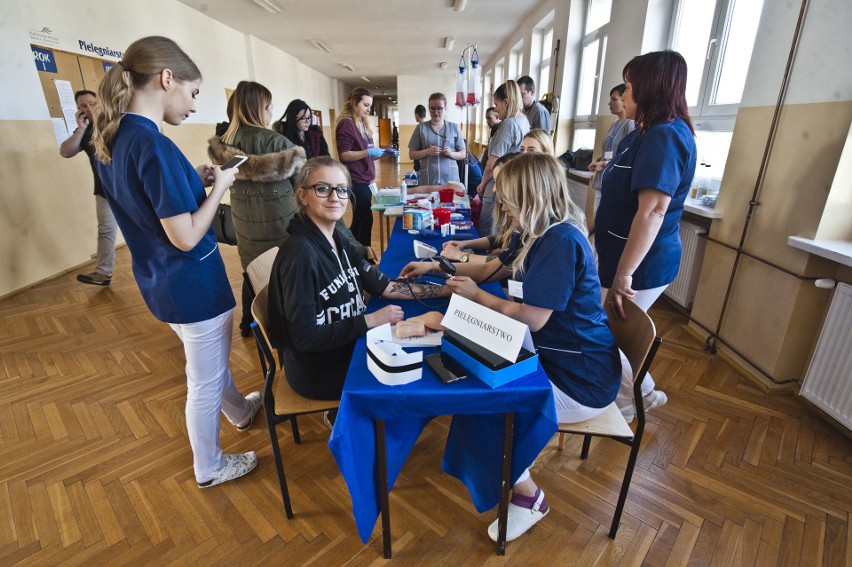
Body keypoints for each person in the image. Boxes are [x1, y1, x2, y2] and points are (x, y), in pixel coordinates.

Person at [402, 153, 619, 542]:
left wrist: (477, 300)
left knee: (489, 399)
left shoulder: (560, 241)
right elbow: (488, 269)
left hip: (580, 378)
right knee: (475, 384)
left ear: (532, 195)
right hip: (553, 355)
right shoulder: (534, 230)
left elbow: (533, 318)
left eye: (508, 197)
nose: (501, 205)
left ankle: (529, 496)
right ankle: (497, 472)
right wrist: (438, 266)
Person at [92, 36, 262, 488]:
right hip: (190, 283)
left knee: (211, 365)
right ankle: (209, 466)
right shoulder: (154, 145)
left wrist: (196, 178)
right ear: (167, 79)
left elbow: (153, 202)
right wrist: (221, 185)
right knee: (204, 381)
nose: (192, 105)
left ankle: (242, 412)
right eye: (193, 93)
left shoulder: (116, 137)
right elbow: (185, 236)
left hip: (160, 280)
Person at [267, 156, 450, 403]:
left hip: (346, 346)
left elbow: (385, 286)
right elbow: (305, 336)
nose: (335, 197)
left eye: (342, 190)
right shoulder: (300, 254)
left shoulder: (338, 239)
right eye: (323, 189)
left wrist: (445, 290)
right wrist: (370, 320)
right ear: (303, 196)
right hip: (320, 370)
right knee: (415, 377)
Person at [595, 50, 697, 422]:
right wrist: (590, 229)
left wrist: (624, 275)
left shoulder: (666, 136)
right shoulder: (640, 133)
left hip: (641, 262)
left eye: (631, 86)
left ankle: (642, 393)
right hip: (616, 253)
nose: (625, 94)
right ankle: (634, 391)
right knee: (607, 328)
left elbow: (653, 211)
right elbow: (618, 194)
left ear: (650, 89)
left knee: (609, 332)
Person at [208, 81, 307, 337]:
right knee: (286, 275)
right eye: (269, 105)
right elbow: (305, 191)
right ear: (259, 108)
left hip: (244, 224)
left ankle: (248, 321)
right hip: (280, 225)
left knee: (251, 271)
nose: (272, 111)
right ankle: (287, 325)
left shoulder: (224, 144)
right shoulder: (278, 143)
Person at [59, 90, 118, 287]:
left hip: (128, 190)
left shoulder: (116, 123)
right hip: (104, 191)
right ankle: (103, 273)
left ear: (101, 102)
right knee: (106, 231)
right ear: (79, 111)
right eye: (83, 106)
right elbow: (65, 152)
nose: (89, 109)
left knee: (147, 227)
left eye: (92, 103)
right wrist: (80, 129)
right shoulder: (86, 131)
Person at [477, 80, 530, 234]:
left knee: (488, 228)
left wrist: (482, 183)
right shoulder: (523, 121)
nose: (496, 109)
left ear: (506, 102)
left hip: (497, 184)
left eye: (496, 104)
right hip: (512, 185)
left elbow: (492, 162)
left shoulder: (508, 125)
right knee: (503, 230)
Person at [335, 87, 382, 247]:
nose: (369, 109)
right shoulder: (346, 124)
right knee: (365, 219)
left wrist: (381, 153)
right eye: (366, 105)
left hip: (365, 178)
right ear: (355, 103)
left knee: (358, 219)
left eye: (370, 105)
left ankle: (352, 250)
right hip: (355, 180)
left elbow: (367, 154)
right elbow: (345, 154)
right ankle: (365, 256)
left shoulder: (361, 123)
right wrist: (368, 151)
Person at [587, 84, 635, 233]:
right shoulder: (614, 124)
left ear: (624, 100)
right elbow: (610, 149)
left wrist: (606, 163)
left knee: (601, 223)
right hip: (603, 178)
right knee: (597, 218)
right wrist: (599, 160)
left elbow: (627, 155)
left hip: (614, 181)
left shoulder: (630, 125)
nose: (609, 103)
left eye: (614, 99)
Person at [408, 92, 467, 186]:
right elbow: (411, 154)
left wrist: (451, 153)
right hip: (428, 180)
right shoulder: (421, 128)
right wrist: (428, 151)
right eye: (433, 108)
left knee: (450, 200)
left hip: (450, 179)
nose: (436, 112)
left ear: (445, 108)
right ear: (429, 108)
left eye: (439, 108)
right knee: (426, 200)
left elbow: (463, 154)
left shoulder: (454, 128)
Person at [413, 104, 427, 172]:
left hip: (420, 160)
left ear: (416, 115)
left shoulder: (419, 128)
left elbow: (414, 148)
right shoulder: (429, 127)